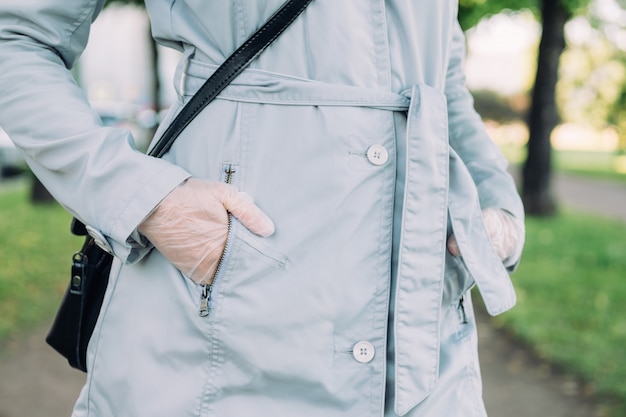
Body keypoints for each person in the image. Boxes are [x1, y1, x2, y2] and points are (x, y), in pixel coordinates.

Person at [0, 1, 525, 416]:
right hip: (230, 301)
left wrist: (498, 206)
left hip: (424, 339)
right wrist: (150, 201)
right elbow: (16, 37)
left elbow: (445, 81)